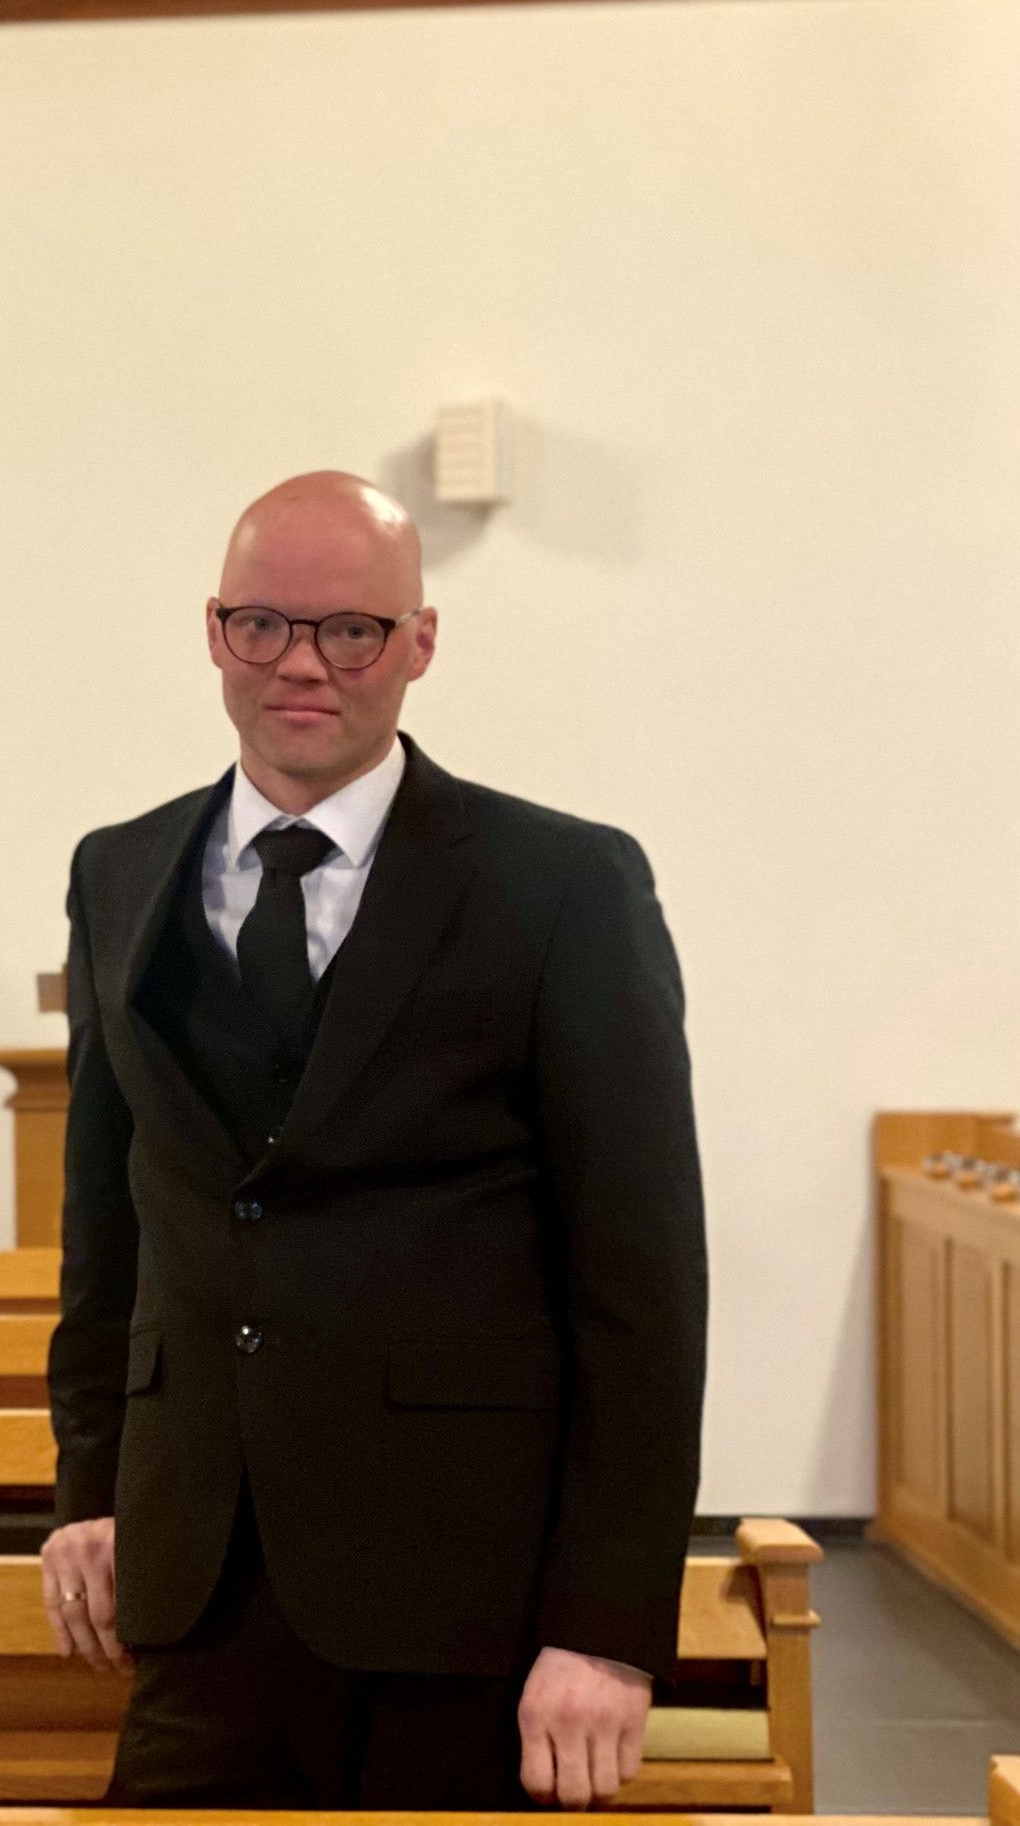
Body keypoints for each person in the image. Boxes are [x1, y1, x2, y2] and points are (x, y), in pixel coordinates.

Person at [41, 472, 707, 1810]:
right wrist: (90, 1486)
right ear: (214, 628)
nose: (303, 662)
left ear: (419, 642)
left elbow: (640, 1278)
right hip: (199, 1578)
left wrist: (608, 1622)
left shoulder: (562, 885)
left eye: (351, 628)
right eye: (264, 624)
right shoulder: (120, 870)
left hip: (458, 1589)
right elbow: (107, 1226)